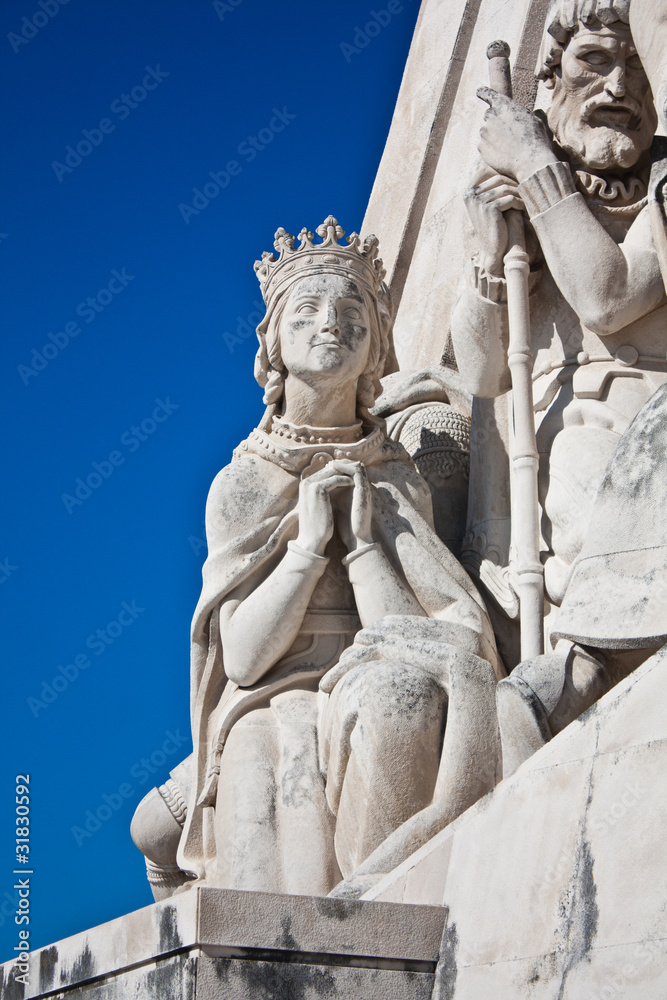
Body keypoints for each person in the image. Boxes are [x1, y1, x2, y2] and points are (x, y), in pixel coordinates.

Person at [133, 217, 502, 897]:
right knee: (167, 818)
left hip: (372, 671)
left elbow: (416, 628)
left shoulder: (397, 476)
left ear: (375, 346)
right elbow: (241, 660)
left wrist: (362, 544)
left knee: (400, 693)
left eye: (351, 310)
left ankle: (382, 902)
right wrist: (306, 548)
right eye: (307, 309)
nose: (331, 323)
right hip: (273, 701)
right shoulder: (244, 483)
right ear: (272, 341)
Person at [449, 0, 667, 769]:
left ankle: (588, 664)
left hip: (644, 432)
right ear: (550, 87)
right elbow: (477, 372)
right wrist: (486, 259)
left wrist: (537, 173)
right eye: (593, 65)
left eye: (633, 69)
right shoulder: (516, 197)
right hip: (537, 459)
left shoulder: (662, 184)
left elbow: (608, 296)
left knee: (594, 468)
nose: (618, 86)